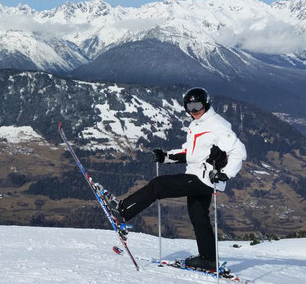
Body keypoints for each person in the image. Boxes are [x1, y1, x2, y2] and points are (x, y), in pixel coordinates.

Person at [101, 87, 247, 271]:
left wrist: (225, 173)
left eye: (198, 105)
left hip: (203, 178)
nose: (194, 110)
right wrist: (166, 156)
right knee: (198, 217)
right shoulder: (198, 124)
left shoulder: (216, 125)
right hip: (199, 176)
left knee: (158, 185)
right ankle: (208, 260)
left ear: (207, 103)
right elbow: (190, 152)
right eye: (190, 106)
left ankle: (121, 211)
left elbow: (239, 152)